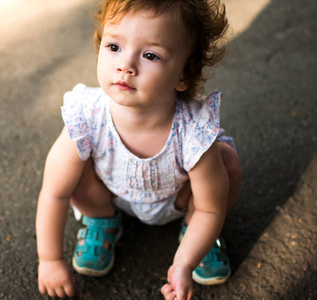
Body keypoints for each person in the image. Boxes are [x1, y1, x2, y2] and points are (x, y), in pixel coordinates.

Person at [36, 0, 242, 299]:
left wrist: (183, 264)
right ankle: (101, 219)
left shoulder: (192, 130)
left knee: (227, 163)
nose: (125, 65)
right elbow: (54, 192)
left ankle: (197, 239)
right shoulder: (87, 117)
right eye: (114, 47)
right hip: (112, 195)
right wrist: (50, 259)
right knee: (71, 168)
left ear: (184, 75)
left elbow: (211, 207)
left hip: (182, 201)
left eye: (150, 55)